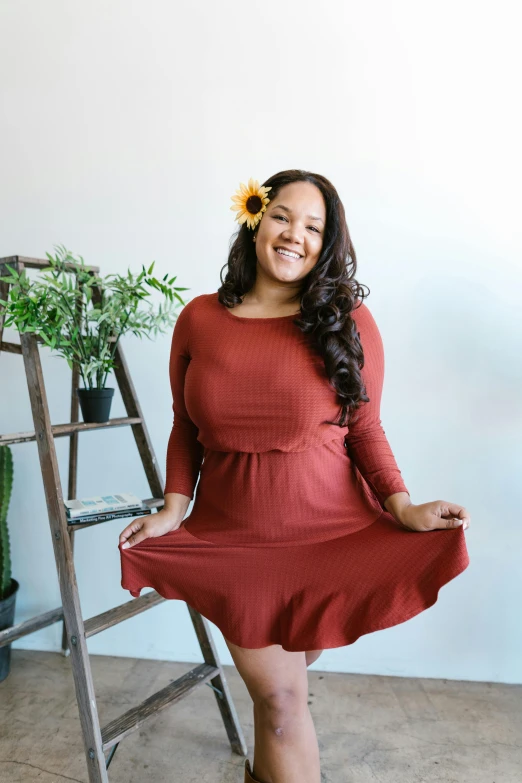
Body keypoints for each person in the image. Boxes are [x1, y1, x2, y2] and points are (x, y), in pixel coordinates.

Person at [118, 170, 470, 783]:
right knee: (281, 702)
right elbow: (185, 427)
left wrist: (404, 506)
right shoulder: (199, 318)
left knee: (278, 700)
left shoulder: (349, 320)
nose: (294, 236)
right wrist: (174, 508)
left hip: (332, 536)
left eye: (314, 227)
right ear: (255, 219)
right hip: (235, 540)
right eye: (282, 216)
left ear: (327, 243)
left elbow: (365, 429)